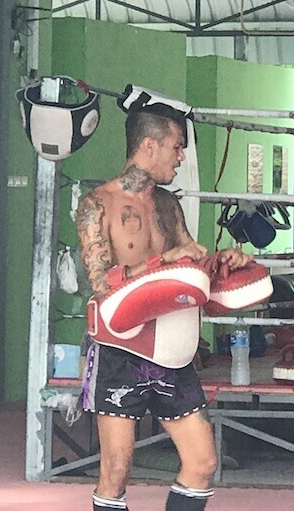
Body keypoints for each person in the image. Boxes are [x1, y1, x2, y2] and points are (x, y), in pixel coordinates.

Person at [76, 106, 252, 511]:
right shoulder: (97, 204)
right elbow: (100, 282)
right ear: (149, 146)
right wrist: (164, 260)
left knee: (203, 462)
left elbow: (184, 264)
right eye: (177, 146)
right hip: (121, 349)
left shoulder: (168, 204)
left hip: (172, 349)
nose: (181, 156)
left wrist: (219, 263)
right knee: (116, 470)